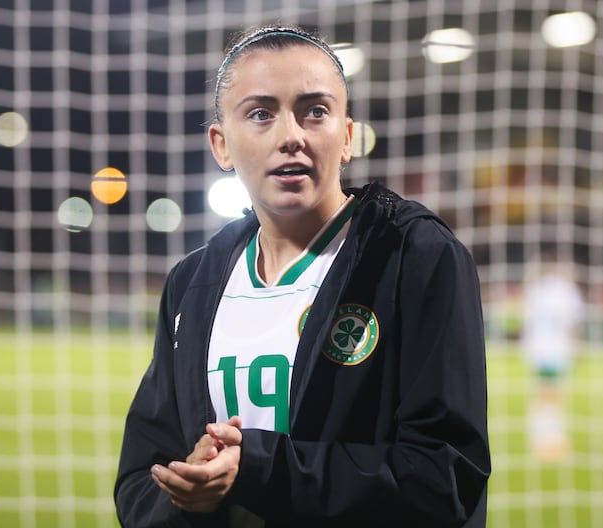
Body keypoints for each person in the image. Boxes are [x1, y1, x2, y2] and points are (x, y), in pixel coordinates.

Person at [115, 24, 490, 527]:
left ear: (347, 137)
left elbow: (444, 477)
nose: (291, 135)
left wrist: (258, 468)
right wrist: (185, 494)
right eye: (261, 114)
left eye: (315, 111)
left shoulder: (414, 256)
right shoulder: (193, 283)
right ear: (221, 145)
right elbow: (141, 476)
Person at [519, 258, 584, 462]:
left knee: (543, 394)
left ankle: (543, 439)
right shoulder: (567, 291)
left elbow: (525, 317)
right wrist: (576, 347)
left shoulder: (538, 288)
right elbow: (573, 323)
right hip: (556, 350)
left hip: (536, 349)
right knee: (552, 396)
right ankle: (548, 441)